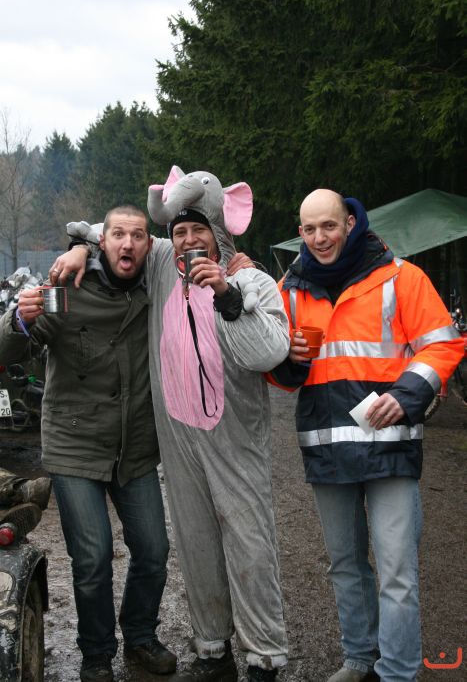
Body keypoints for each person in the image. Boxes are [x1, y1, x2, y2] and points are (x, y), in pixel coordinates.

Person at [54, 166, 290, 682]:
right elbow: (112, 235)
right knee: (195, 545)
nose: (187, 240)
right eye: (179, 231)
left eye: (197, 229)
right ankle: (213, 648)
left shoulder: (251, 280)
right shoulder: (161, 263)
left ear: (218, 232)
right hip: (179, 441)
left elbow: (270, 352)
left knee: (249, 546)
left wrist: (228, 295)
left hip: (234, 443)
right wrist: (79, 248)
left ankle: (264, 655)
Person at [267, 189, 464, 682]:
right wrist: (287, 360)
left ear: (350, 223)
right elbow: (275, 372)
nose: (319, 238)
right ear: (300, 231)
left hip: (390, 444)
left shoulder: (400, 277)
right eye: (309, 229)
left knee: (397, 572)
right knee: (345, 565)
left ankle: (397, 671)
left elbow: (443, 344)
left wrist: (407, 393)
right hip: (327, 446)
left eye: (329, 226)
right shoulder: (288, 289)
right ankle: (359, 658)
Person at [0, 205, 176, 682]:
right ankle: (96, 652)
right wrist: (19, 320)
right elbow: (12, 349)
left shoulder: (157, 285)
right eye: (118, 234)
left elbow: (198, 245)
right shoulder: (68, 288)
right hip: (74, 445)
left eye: (138, 235)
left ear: (148, 245)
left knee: (154, 550)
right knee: (93, 556)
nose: (128, 243)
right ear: (103, 241)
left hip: (133, 446)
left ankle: (140, 636)